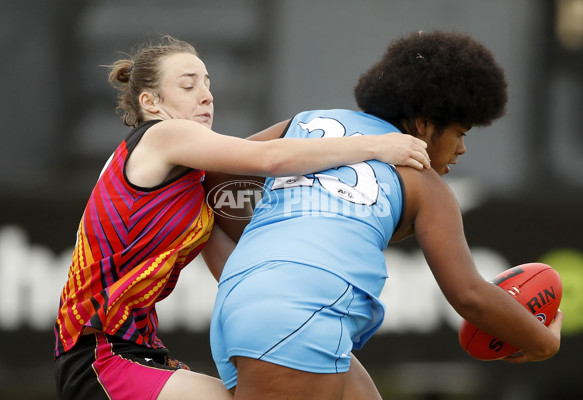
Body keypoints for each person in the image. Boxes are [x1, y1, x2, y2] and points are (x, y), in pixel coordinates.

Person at [52, 35, 432, 400]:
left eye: (208, 83)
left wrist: (301, 312)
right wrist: (375, 145)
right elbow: (272, 159)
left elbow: (233, 272)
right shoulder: (162, 136)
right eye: (188, 86)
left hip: (138, 350)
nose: (206, 95)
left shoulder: (189, 181)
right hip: (99, 355)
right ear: (151, 101)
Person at [208, 30, 564, 399]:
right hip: (303, 314)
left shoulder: (305, 123)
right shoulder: (425, 184)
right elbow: (470, 295)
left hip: (239, 306)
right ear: (425, 124)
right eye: (459, 132)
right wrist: (543, 343)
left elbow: (214, 173)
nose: (461, 149)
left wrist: (262, 254)